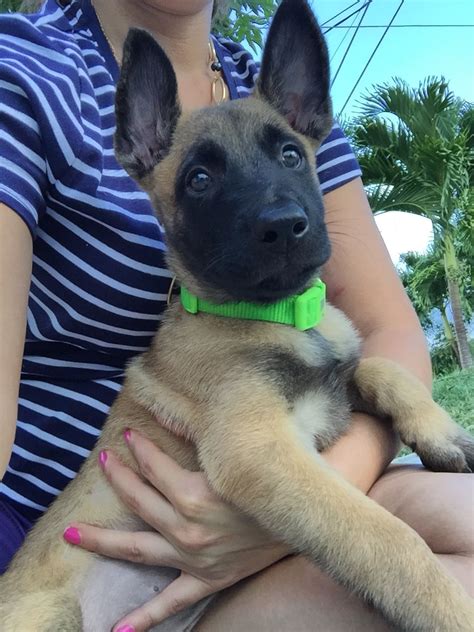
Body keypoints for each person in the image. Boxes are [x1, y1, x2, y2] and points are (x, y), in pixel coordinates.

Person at [0, 1, 472, 631]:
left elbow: (385, 338)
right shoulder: (27, 68)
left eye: (286, 159)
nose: (274, 211)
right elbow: (253, 459)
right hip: (78, 591)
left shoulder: (266, 95)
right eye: (200, 180)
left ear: (308, 122)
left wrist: (398, 404)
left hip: (249, 543)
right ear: (141, 147)